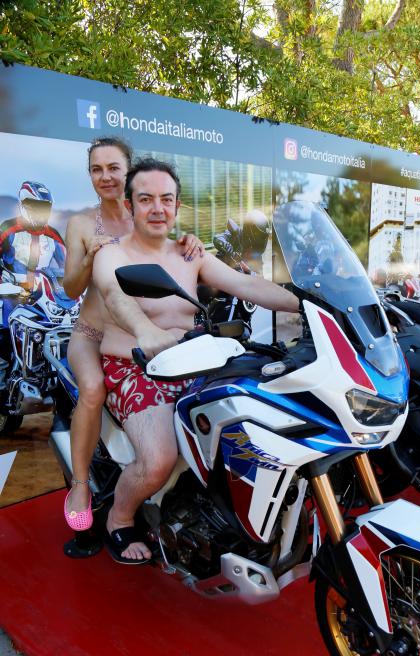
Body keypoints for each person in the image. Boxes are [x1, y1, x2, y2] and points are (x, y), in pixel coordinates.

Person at [91, 158, 299, 565]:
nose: (157, 208)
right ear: (129, 206)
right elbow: (115, 295)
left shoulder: (191, 254)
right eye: (146, 199)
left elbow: (245, 284)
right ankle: (120, 517)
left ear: (177, 206)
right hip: (135, 367)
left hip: (193, 362)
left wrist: (308, 303)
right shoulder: (110, 254)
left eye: (166, 199)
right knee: (159, 459)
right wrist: (146, 331)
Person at [62, 137, 204, 551]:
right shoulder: (82, 224)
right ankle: (81, 485)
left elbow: (168, 250)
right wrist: (91, 256)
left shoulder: (145, 210)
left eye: (114, 168)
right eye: (96, 169)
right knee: (93, 389)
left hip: (142, 338)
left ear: (128, 173)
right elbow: (70, 289)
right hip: (94, 333)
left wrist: (189, 240)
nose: (105, 176)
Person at [0, 181, 65, 289]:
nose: (41, 212)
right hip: (12, 291)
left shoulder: (53, 234)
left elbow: (67, 265)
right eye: (37, 206)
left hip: (45, 293)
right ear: (24, 205)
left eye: (45, 207)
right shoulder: (8, 228)